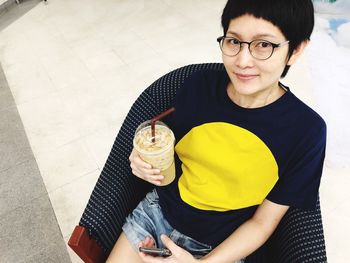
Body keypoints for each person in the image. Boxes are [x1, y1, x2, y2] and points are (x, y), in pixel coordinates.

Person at [106, 0, 326, 262]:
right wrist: (140, 159)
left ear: (296, 49)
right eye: (234, 41)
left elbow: (262, 224)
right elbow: (170, 145)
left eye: (264, 45)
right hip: (157, 214)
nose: (243, 61)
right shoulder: (198, 86)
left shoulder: (306, 131)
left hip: (223, 245)